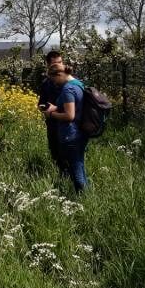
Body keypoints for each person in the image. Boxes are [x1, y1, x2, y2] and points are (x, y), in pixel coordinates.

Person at [43, 63, 88, 194]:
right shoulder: (78, 84)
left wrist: (51, 114)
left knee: (75, 170)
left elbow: (69, 115)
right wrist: (56, 108)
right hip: (80, 132)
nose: (54, 83)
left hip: (70, 134)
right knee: (79, 166)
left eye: (53, 79)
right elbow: (75, 107)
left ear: (59, 74)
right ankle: (87, 195)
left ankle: (82, 197)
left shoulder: (68, 89)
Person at [37, 51, 68, 175]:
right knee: (55, 154)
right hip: (53, 124)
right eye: (55, 64)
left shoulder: (70, 82)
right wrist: (44, 108)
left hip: (68, 124)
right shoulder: (46, 84)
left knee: (68, 157)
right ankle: (62, 181)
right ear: (48, 65)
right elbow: (41, 104)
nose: (59, 66)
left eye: (60, 62)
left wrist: (56, 108)